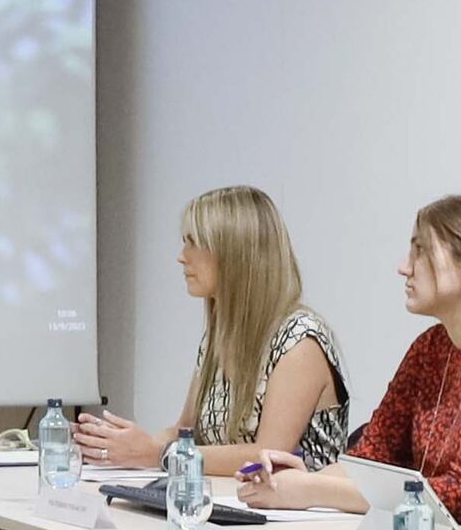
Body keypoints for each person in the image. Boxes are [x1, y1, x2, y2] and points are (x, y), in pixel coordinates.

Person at [253, 192, 461, 530]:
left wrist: (313, 489)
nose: (404, 267)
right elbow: (370, 455)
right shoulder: (430, 347)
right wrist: (296, 480)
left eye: (420, 251)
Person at [76, 184, 349, 478]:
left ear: (233, 254)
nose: (182, 257)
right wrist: (118, 444)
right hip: (229, 506)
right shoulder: (221, 336)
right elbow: (186, 431)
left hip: (300, 520)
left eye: (194, 243)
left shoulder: (299, 340)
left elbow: (269, 454)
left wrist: (157, 454)